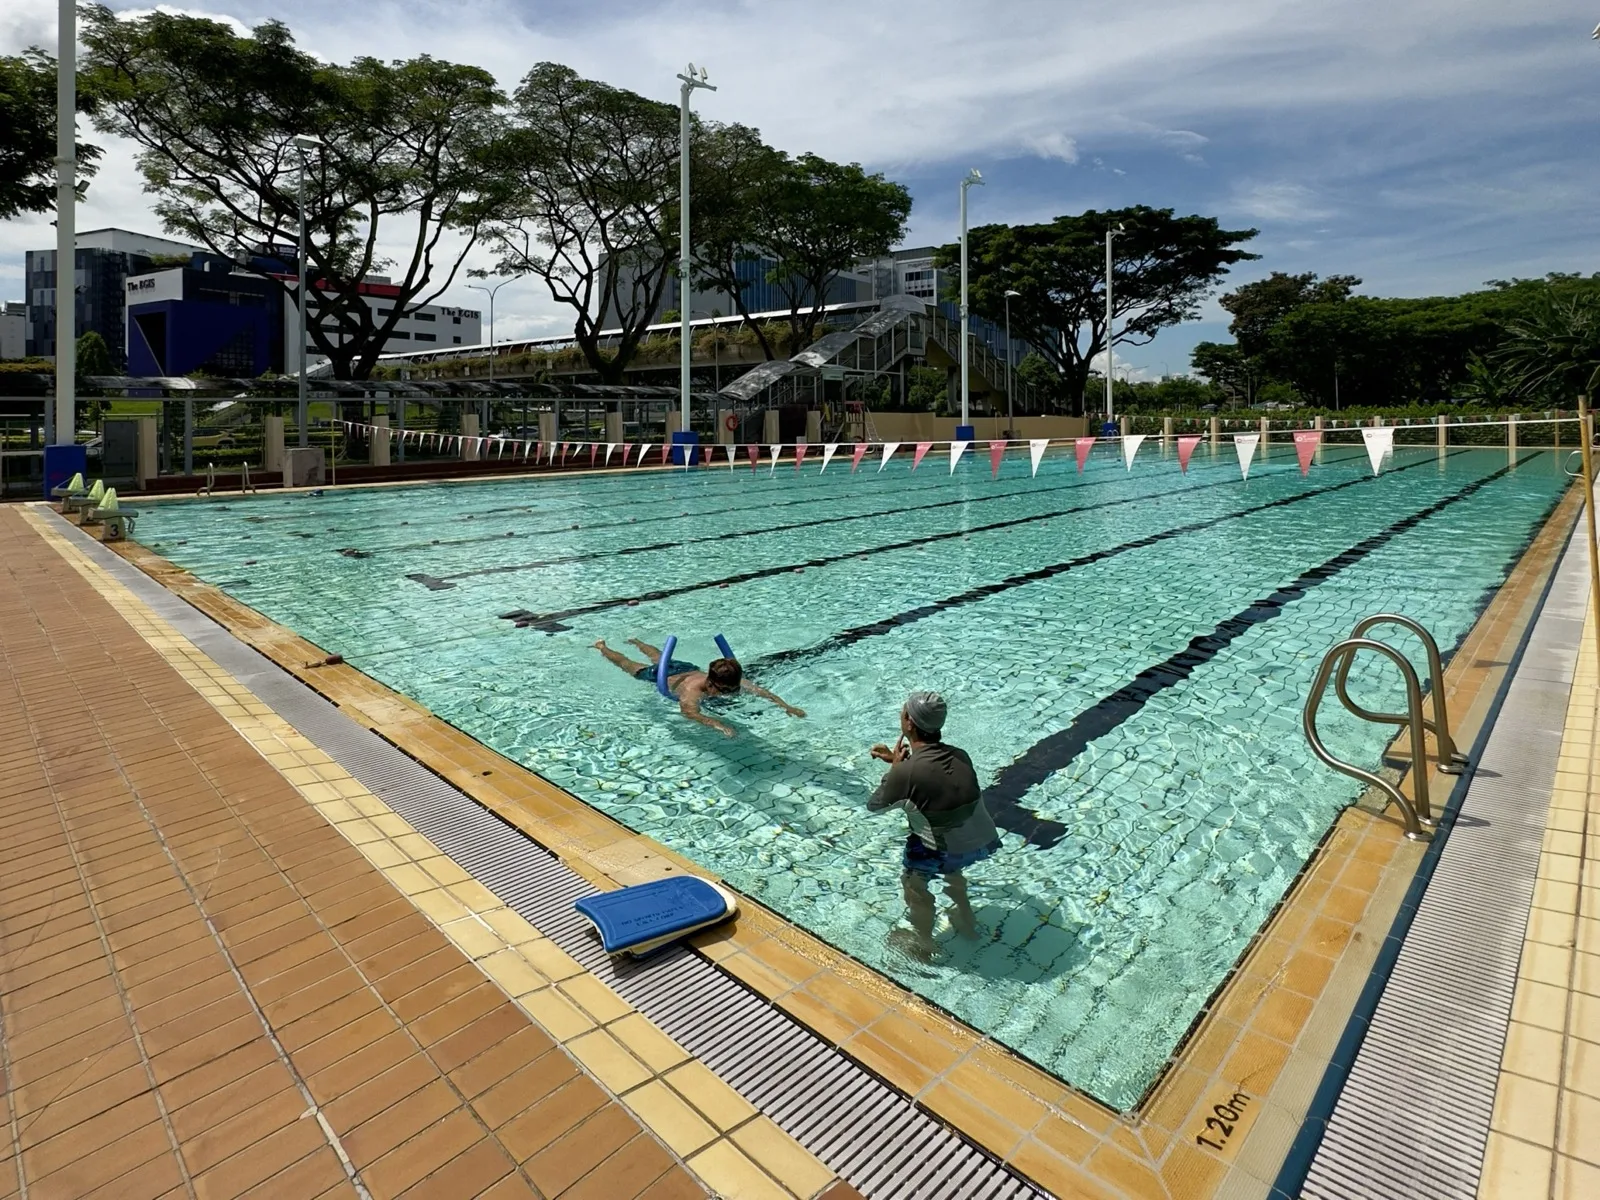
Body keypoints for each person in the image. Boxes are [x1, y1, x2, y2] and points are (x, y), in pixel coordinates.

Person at [869, 691, 1001, 961]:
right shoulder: (960, 755)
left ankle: (924, 943)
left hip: (942, 850)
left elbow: (876, 805)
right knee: (953, 866)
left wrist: (896, 769)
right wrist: (902, 767)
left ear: (908, 723)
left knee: (914, 883)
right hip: (979, 841)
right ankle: (966, 919)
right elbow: (932, 777)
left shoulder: (906, 772)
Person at [594, 638, 805, 737]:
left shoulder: (730, 682)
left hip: (687, 668)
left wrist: (787, 706)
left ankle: (637, 641)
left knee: (659, 655)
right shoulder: (692, 691)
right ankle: (602, 646)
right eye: (725, 691)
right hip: (662, 677)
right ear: (711, 684)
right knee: (628, 665)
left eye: (732, 690)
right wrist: (716, 724)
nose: (730, 694)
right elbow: (689, 713)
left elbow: (763, 693)